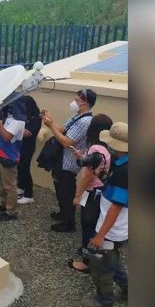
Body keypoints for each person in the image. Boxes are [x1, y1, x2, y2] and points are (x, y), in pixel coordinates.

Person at [82, 122, 128, 307]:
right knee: (112, 260)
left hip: (112, 229)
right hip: (117, 228)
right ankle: (129, 290)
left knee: (102, 265)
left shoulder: (125, 171)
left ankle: (105, 300)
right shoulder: (121, 164)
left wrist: (100, 235)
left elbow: (116, 207)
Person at [41, 89, 97, 233]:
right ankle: (63, 214)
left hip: (69, 163)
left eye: (77, 100)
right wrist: (51, 121)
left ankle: (68, 223)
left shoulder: (85, 121)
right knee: (60, 189)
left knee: (66, 191)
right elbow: (64, 130)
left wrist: (50, 126)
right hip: (62, 159)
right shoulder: (77, 116)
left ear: (85, 103)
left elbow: (67, 141)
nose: (73, 101)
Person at [67, 114, 113, 273]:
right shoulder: (107, 146)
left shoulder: (94, 147)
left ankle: (87, 263)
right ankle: (91, 254)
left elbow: (87, 176)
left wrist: (77, 196)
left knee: (87, 226)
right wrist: (82, 157)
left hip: (92, 192)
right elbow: (98, 165)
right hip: (101, 191)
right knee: (93, 223)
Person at [0, 98, 26, 221]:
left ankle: (11, 212)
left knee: (10, 185)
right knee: (4, 184)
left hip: (8, 156)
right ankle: (4, 204)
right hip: (0, 155)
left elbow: (6, 137)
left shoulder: (18, 122)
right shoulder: (9, 118)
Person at [16, 95, 42, 204]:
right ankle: (21, 187)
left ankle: (29, 195)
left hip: (28, 148)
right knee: (20, 168)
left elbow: (27, 134)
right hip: (20, 146)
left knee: (25, 168)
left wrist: (13, 128)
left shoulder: (36, 118)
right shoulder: (24, 116)